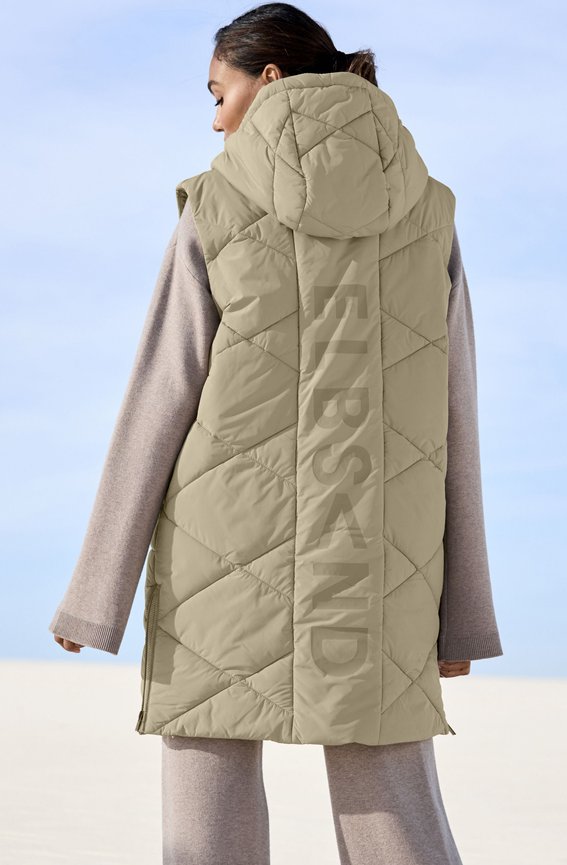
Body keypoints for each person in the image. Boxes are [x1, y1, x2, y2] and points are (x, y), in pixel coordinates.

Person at [49, 3, 503, 863]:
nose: (215, 119)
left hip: (216, 558)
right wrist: (465, 620)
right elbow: (455, 417)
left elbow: (161, 394)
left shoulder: (216, 202)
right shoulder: (429, 210)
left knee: (207, 825)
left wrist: (94, 595)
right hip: (379, 562)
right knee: (395, 811)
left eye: (217, 93)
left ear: (269, 78)